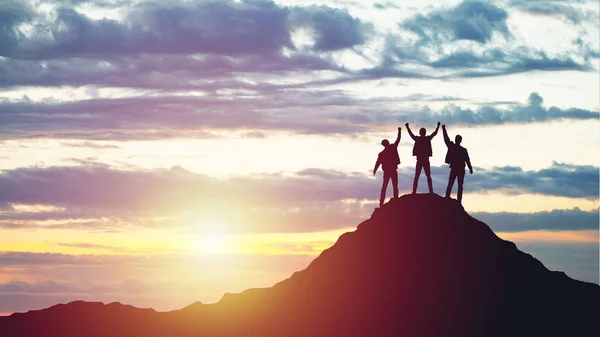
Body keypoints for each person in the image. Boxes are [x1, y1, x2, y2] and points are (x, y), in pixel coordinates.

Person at [405, 122, 440, 194]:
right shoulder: (423, 139)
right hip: (422, 160)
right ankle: (419, 191)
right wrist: (407, 127)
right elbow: (434, 133)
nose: (423, 133)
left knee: (422, 176)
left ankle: (426, 191)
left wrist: (438, 126)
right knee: (420, 176)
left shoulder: (423, 139)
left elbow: (434, 133)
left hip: (423, 160)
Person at [442, 124, 473, 203]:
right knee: (454, 184)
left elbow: (467, 159)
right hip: (457, 168)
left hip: (459, 168)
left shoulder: (460, 149)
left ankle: (454, 199)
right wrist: (444, 130)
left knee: (456, 184)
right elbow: (446, 139)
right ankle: (450, 198)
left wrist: (470, 168)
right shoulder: (456, 148)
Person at [373, 127, 401, 207]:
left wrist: (375, 170)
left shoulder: (384, 152)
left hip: (389, 170)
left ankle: (382, 203)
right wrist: (399, 132)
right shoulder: (389, 149)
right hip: (390, 170)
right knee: (392, 186)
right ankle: (388, 201)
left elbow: (378, 162)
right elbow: (398, 139)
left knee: (386, 186)